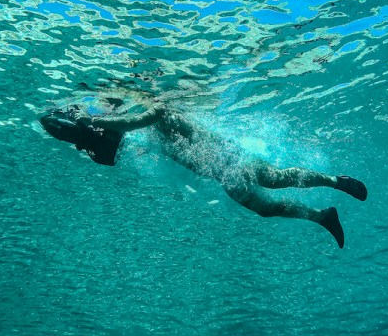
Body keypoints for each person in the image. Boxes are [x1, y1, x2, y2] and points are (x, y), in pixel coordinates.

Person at [39, 100, 367, 248]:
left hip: (232, 159)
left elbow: (134, 121)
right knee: (266, 208)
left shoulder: (160, 112)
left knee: (277, 178)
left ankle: (335, 181)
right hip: (222, 175)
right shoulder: (147, 134)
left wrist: (98, 122)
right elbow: (131, 136)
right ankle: (322, 217)